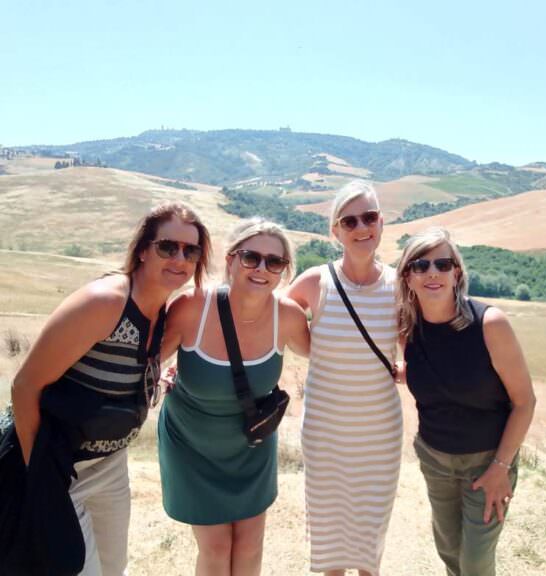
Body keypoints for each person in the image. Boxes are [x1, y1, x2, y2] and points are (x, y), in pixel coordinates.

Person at [10, 202, 211, 576]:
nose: (180, 258)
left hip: (110, 466)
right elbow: (24, 386)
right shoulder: (106, 301)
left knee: (111, 567)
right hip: (56, 462)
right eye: (168, 247)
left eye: (191, 250)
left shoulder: (163, 311)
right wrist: (36, 471)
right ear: (142, 250)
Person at [157, 217, 310, 576]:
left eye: (275, 262)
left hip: (251, 447)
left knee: (250, 545)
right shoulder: (192, 307)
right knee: (216, 547)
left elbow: (332, 352)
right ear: (230, 259)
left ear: (284, 271)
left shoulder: (287, 317)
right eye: (251, 257)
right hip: (191, 444)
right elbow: (144, 361)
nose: (262, 269)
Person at [395, 227, 536, 576]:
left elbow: (525, 402)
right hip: (435, 459)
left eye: (443, 264)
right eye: (420, 265)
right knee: (449, 553)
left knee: (474, 563)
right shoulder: (406, 327)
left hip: (488, 462)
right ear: (407, 277)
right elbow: (429, 371)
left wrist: (500, 467)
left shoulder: (490, 324)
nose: (432, 273)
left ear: (456, 273)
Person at [286, 180, 402, 576]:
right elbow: (273, 322)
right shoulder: (314, 282)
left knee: (371, 537)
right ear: (335, 231)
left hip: (379, 432)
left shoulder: (400, 286)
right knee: (331, 534)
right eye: (348, 221)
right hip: (326, 432)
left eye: (368, 217)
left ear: (381, 223)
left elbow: (419, 345)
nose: (360, 227)